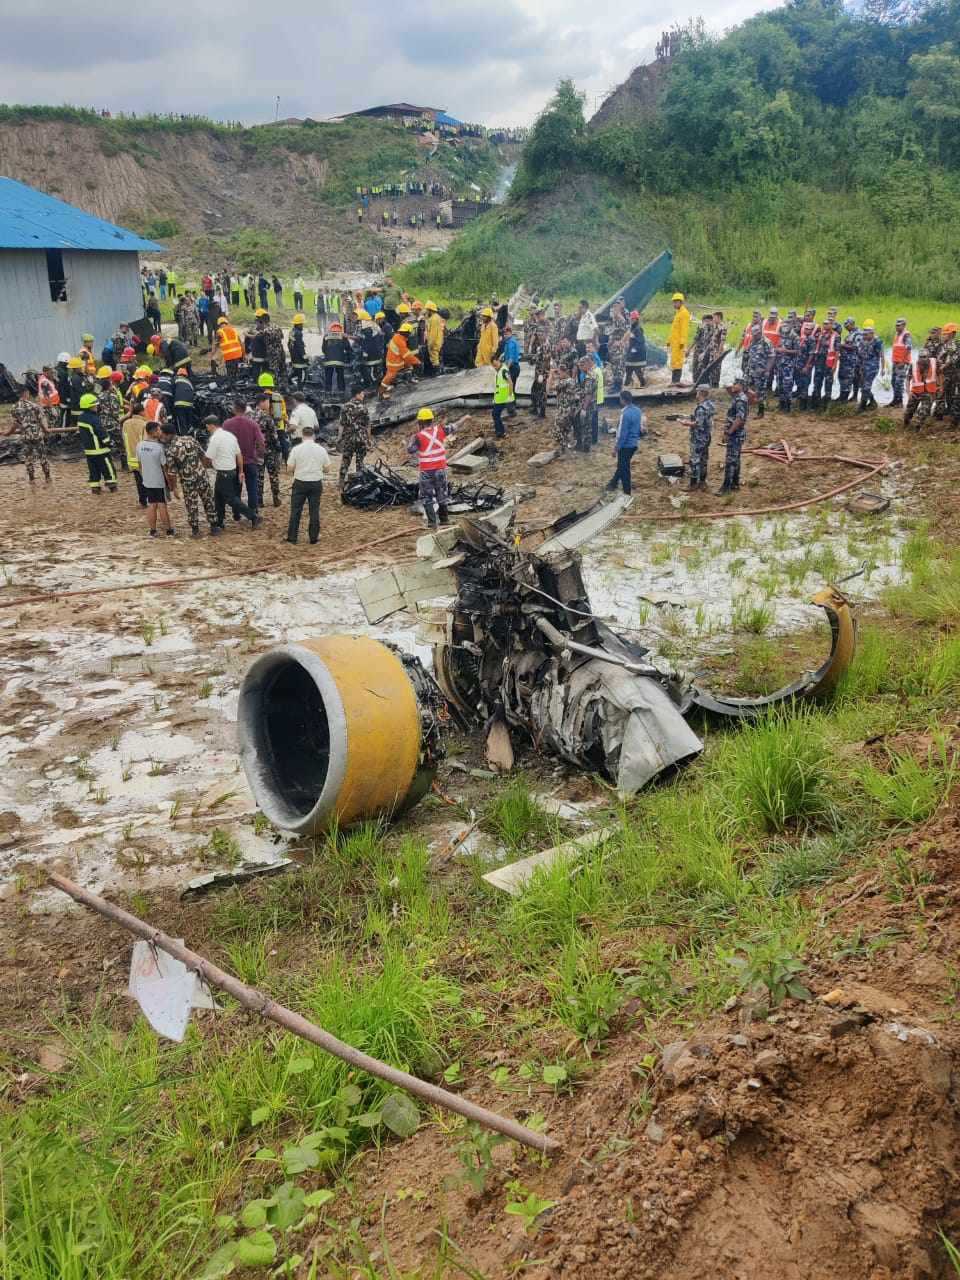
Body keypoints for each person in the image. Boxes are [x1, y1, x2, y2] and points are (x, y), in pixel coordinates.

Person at [158, 424, 220, 537]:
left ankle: (195, 530)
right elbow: (203, 455)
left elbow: (172, 473)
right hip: (202, 476)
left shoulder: (171, 450)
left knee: (191, 504)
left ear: (168, 434)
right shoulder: (190, 439)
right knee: (209, 501)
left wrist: (174, 488)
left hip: (188, 481)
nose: (161, 436)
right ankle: (214, 526)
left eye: (162, 434)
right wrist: (202, 468)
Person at [203, 415, 260, 527]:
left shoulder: (214, 438)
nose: (207, 429)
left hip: (223, 472)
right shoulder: (230, 436)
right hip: (232, 471)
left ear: (211, 425)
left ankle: (253, 516)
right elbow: (239, 455)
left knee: (230, 499)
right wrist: (241, 471)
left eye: (207, 427)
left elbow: (208, 457)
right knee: (218, 498)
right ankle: (219, 521)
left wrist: (204, 466)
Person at [408, 407, 455, 529]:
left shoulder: (418, 436)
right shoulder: (440, 430)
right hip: (440, 469)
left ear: (420, 422)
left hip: (426, 472)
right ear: (431, 420)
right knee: (442, 494)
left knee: (426, 496)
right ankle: (444, 520)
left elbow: (411, 450)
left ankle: (432, 523)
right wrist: (465, 418)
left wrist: (412, 439)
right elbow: (454, 427)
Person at [284, 425, 330, 545]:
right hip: (316, 483)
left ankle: (292, 537)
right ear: (313, 435)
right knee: (314, 510)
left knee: (296, 510)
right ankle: (313, 537)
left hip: (300, 482)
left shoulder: (296, 449)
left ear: (302, 436)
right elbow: (327, 469)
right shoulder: (321, 449)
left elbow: (289, 468)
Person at [223, 398, 266, 511]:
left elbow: (223, 442)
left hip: (234, 462)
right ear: (245, 409)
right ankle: (253, 512)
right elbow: (261, 442)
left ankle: (236, 512)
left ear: (234, 408)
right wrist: (259, 456)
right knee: (252, 488)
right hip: (250, 460)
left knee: (236, 488)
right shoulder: (252, 424)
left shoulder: (227, 424)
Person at [6, 384, 51, 484]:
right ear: (26, 393)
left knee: (28, 458)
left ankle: (32, 479)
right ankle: (47, 478)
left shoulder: (14, 407)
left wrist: (8, 433)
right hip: (37, 435)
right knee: (43, 456)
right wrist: (46, 430)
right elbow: (41, 420)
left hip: (26, 436)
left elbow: (15, 424)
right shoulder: (34, 406)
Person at [136, 422, 174, 536]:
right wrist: (170, 484)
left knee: (152, 505)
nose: (160, 432)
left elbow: (139, 465)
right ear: (152, 432)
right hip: (159, 481)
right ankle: (168, 530)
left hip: (147, 481)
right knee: (162, 505)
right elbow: (165, 468)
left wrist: (144, 478)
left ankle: (153, 530)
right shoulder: (159, 447)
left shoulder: (139, 445)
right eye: (158, 430)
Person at [77, 392, 118, 493]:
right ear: (90, 406)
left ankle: (95, 488)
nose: (97, 406)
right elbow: (101, 432)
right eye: (95, 405)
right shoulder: (94, 419)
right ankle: (112, 486)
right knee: (108, 468)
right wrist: (110, 443)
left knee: (93, 470)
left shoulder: (81, 418)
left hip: (89, 451)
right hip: (100, 450)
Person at [607, 389, 645, 494]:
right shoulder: (638, 410)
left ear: (622, 400)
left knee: (624, 470)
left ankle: (626, 492)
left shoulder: (625, 414)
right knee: (622, 465)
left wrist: (616, 448)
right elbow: (640, 427)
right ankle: (613, 483)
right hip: (634, 444)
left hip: (626, 445)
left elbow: (622, 434)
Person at [251, 393, 283, 507]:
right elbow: (274, 435)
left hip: (255, 450)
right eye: (268, 402)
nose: (269, 404)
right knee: (273, 474)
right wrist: (278, 446)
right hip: (268, 449)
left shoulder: (250, 415)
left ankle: (259, 500)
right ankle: (276, 498)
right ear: (263, 402)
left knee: (258, 475)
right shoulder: (266, 417)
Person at [719, 377, 749, 495]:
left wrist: (729, 432)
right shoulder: (738, 397)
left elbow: (740, 419)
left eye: (735, 384)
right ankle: (735, 484)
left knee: (730, 460)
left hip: (735, 434)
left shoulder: (741, 399)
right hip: (737, 433)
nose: (733, 385)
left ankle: (726, 487)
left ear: (741, 386)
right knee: (735, 460)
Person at [681, 385, 714, 492]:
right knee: (704, 459)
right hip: (707, 436)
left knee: (694, 460)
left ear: (700, 393)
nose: (696, 394)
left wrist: (686, 423)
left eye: (697, 392)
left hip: (698, 437)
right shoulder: (709, 404)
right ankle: (703, 482)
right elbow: (705, 419)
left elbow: (698, 424)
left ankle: (693, 484)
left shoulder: (700, 408)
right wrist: (691, 417)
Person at [337, 391, 372, 492]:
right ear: (356, 394)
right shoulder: (364, 408)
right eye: (361, 394)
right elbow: (368, 425)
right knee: (360, 462)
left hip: (349, 439)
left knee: (345, 460)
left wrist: (339, 438)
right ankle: (358, 483)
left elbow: (342, 424)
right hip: (361, 438)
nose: (363, 395)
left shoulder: (345, 407)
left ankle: (341, 482)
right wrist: (369, 439)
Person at [380, 323, 420, 396]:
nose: (410, 334)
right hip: (393, 363)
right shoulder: (399, 340)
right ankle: (381, 392)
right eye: (409, 333)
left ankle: (409, 379)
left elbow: (405, 354)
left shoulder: (400, 337)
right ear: (407, 332)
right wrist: (417, 362)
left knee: (408, 365)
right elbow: (406, 355)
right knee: (389, 377)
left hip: (397, 359)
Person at [744, 323, 775, 418]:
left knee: (760, 392)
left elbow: (772, 357)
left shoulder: (766, 342)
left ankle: (761, 412)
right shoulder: (753, 341)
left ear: (760, 332)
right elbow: (749, 353)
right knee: (747, 389)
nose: (754, 335)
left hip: (761, 371)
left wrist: (767, 370)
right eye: (753, 334)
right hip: (750, 370)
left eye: (756, 334)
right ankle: (746, 410)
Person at [552, 356, 580, 454]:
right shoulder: (570, 380)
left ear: (564, 372)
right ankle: (565, 446)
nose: (558, 375)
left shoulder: (566, 381)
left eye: (559, 373)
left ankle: (564, 445)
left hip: (565, 410)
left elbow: (552, 388)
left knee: (556, 429)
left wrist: (551, 375)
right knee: (565, 428)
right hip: (568, 409)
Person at [904, 348, 937, 430]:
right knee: (908, 413)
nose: (922, 359)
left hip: (928, 392)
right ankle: (906, 423)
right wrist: (908, 392)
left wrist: (939, 388)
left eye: (924, 357)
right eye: (920, 357)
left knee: (924, 411)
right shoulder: (913, 365)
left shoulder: (934, 363)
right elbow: (908, 379)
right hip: (915, 392)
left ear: (928, 357)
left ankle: (917, 427)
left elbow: (940, 374)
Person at [122, 408, 149, 507]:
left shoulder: (126, 423)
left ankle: (142, 500)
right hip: (143, 457)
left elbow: (124, 438)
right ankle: (149, 499)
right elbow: (146, 440)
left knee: (138, 480)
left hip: (131, 457)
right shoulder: (144, 424)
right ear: (141, 412)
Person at [857, 321, 885, 411]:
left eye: (866, 335)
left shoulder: (877, 342)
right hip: (863, 366)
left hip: (872, 367)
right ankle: (873, 402)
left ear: (872, 334)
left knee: (866, 386)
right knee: (862, 385)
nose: (864, 336)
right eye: (863, 334)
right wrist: (859, 367)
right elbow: (860, 354)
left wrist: (883, 368)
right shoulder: (862, 341)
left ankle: (862, 405)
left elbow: (882, 355)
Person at [322, 321, 352, 395]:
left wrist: (328, 354)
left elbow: (323, 349)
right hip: (340, 361)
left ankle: (328, 392)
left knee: (328, 376)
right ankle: (341, 391)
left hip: (328, 361)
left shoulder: (326, 336)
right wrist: (348, 356)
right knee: (340, 376)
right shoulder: (343, 336)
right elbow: (348, 348)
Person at [890, 317, 913, 409]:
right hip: (895, 362)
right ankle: (895, 400)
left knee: (899, 382)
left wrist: (903, 362)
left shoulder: (906, 335)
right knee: (893, 381)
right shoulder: (897, 335)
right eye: (896, 325)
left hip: (902, 363)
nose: (897, 327)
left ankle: (899, 402)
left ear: (904, 325)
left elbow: (909, 348)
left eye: (899, 325)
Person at [668, 292, 690, 384]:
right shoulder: (678, 313)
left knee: (678, 362)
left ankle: (676, 381)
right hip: (674, 342)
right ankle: (674, 381)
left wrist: (682, 342)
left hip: (679, 343)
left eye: (676, 302)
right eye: (673, 302)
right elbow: (674, 329)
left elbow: (684, 329)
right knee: (674, 361)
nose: (674, 304)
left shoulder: (684, 313)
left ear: (681, 302)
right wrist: (669, 340)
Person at [491, 355, 515, 438]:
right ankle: (500, 431)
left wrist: (509, 395)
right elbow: (498, 386)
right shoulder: (499, 370)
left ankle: (501, 432)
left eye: (495, 364)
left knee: (495, 414)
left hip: (504, 398)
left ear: (498, 361)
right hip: (499, 398)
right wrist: (494, 398)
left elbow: (510, 383)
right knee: (495, 414)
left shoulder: (504, 371)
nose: (495, 367)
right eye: (493, 365)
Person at [623, 312, 647, 387]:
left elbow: (641, 341)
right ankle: (626, 385)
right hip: (631, 354)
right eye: (631, 319)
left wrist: (634, 349)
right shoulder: (632, 328)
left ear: (637, 319)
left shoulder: (638, 329)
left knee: (637, 371)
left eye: (633, 319)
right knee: (628, 370)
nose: (632, 320)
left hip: (637, 355)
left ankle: (643, 384)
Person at [216, 316, 244, 380]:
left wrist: (213, 355)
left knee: (230, 375)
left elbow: (216, 344)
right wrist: (244, 354)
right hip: (238, 355)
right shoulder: (234, 330)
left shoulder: (219, 331)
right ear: (226, 323)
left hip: (229, 356)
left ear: (219, 324)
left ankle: (232, 386)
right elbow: (241, 343)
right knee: (237, 372)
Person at [501, 326, 521, 415]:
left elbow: (511, 359)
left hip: (512, 368)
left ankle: (511, 410)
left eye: (506, 333)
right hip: (513, 367)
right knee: (511, 388)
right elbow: (507, 354)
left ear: (510, 333)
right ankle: (512, 406)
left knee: (509, 388)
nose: (505, 335)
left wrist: (506, 369)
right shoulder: (509, 342)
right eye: (504, 334)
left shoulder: (511, 343)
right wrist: (502, 355)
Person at [173, 365, 196, 436]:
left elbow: (172, 390)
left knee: (182, 423)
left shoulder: (175, 379)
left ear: (178, 373)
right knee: (189, 422)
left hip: (179, 404)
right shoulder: (189, 382)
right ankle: (191, 436)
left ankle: (183, 437)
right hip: (189, 405)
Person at [424, 301, 445, 377]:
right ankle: (439, 371)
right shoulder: (436, 317)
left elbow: (433, 333)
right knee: (437, 357)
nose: (426, 311)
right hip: (438, 341)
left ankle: (437, 373)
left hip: (434, 342)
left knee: (434, 358)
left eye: (427, 310)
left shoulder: (433, 319)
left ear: (430, 310)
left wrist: (430, 344)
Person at [288, 314, 308, 387]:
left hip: (294, 357)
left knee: (296, 370)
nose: (302, 326)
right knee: (302, 375)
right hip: (299, 359)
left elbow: (289, 344)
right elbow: (300, 347)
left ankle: (289, 380)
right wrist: (305, 357)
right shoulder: (299, 333)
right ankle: (300, 389)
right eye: (302, 324)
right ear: (298, 324)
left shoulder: (292, 332)